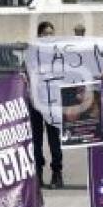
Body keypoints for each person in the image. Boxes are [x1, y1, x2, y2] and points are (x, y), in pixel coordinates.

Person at [29, 21, 64, 189]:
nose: (48, 36)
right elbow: (25, 73)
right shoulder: (32, 53)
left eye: (51, 33)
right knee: (36, 140)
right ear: (39, 35)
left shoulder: (60, 54)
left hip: (53, 103)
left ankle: (57, 173)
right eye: (45, 33)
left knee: (54, 140)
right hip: (35, 102)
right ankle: (38, 173)